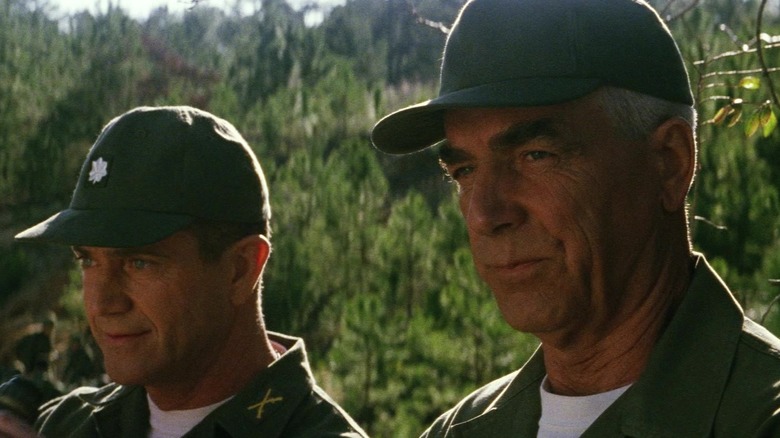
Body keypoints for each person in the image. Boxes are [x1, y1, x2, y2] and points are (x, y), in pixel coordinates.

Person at [371, 0, 780, 436]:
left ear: (669, 163)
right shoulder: (460, 430)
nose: (485, 215)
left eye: (536, 156)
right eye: (465, 171)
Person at [7, 106, 367, 437]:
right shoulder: (69, 424)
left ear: (240, 270)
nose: (102, 304)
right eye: (88, 261)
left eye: (139, 263)